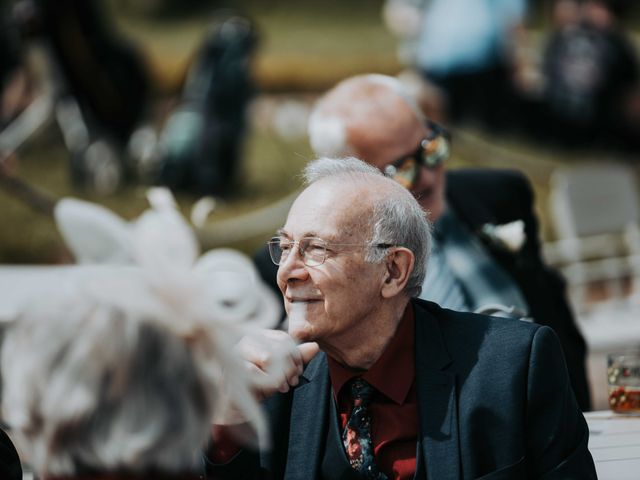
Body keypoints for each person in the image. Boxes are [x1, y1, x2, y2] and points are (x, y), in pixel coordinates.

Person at [209, 156, 596, 479]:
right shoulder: (272, 384)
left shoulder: (513, 367)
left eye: (315, 249)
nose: (287, 271)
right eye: (286, 246)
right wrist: (229, 414)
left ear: (393, 271)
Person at [254, 73, 592, 411]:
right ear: (347, 178)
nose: (428, 176)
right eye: (399, 169)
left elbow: (552, 308)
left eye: (429, 148)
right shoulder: (303, 268)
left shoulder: (498, 194)